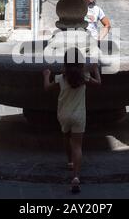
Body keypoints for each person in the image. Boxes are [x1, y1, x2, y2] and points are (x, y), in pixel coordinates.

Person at [43, 48, 101, 193]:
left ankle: (69, 161)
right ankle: (75, 176)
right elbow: (99, 83)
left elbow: (47, 88)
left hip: (63, 114)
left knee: (66, 137)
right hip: (79, 116)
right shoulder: (84, 77)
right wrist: (95, 69)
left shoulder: (61, 78)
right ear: (81, 63)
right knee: (77, 146)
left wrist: (46, 75)